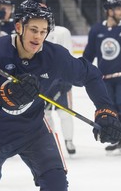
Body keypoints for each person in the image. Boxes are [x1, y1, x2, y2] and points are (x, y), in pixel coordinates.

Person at [0, 0, 121, 191]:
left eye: (43, 31)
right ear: (19, 27)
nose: (38, 37)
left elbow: (91, 75)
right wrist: (4, 96)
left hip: (32, 132)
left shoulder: (54, 57)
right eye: (33, 29)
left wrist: (105, 110)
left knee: (56, 185)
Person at [83, 0, 121, 155]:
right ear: (109, 11)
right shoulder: (97, 30)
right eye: (117, 9)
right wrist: (82, 68)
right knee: (110, 111)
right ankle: (118, 140)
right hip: (104, 80)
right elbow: (89, 53)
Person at [45, 26, 76, 155]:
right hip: (43, 81)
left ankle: (69, 140)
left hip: (61, 79)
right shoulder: (31, 31)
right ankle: (50, 142)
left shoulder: (62, 32)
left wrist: (68, 77)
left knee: (65, 113)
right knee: (45, 114)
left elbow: (69, 57)